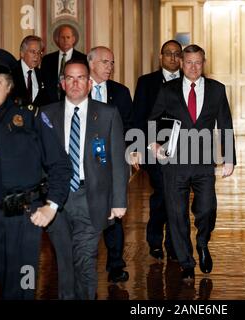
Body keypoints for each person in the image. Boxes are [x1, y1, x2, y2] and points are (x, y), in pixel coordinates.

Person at [0, 48, 71, 299]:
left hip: (22, 223)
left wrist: (51, 206)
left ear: (9, 86)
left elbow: (60, 164)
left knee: (22, 291)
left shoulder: (31, 118)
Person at [148, 44, 236, 281]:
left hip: (204, 163)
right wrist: (153, 144)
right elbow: (152, 120)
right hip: (174, 163)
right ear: (181, 64)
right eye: (189, 62)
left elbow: (225, 125)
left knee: (207, 208)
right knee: (176, 214)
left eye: (198, 62)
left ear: (203, 63)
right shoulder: (168, 90)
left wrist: (229, 159)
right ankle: (186, 262)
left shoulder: (217, 90)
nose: (193, 67)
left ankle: (202, 242)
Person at [43, 60, 128, 299]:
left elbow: (118, 161)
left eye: (81, 78)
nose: (75, 83)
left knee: (85, 258)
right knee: (64, 261)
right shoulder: (47, 115)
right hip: (56, 200)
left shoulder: (107, 114)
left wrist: (119, 200)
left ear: (90, 83)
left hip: (91, 196)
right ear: (62, 83)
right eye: (70, 78)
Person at [132, 39, 182, 261]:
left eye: (176, 54)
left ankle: (173, 244)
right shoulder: (147, 82)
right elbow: (138, 116)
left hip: (183, 150)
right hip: (155, 149)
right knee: (163, 193)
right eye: (168, 53)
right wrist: (138, 148)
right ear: (160, 57)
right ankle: (154, 240)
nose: (172, 57)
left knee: (178, 197)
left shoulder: (191, 81)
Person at [87, 46, 132, 283]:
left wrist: (132, 151)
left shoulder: (121, 92)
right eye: (105, 62)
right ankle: (86, 265)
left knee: (115, 213)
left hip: (114, 164)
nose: (110, 67)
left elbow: (130, 125)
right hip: (85, 164)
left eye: (112, 63)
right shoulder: (78, 89)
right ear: (91, 63)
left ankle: (116, 265)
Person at [41, 24, 87, 103]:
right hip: (51, 104)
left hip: (74, 102)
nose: (65, 40)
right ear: (57, 39)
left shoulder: (83, 59)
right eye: (62, 37)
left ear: (73, 39)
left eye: (68, 37)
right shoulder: (47, 59)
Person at [12, 35, 49, 107]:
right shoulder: (11, 72)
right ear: (22, 53)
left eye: (39, 52)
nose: (37, 56)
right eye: (33, 52)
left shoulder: (42, 74)